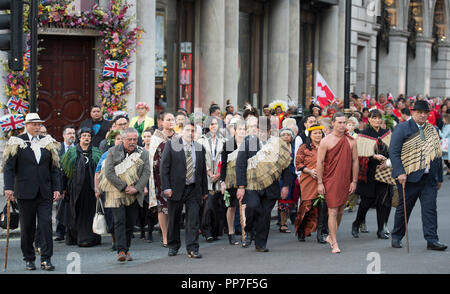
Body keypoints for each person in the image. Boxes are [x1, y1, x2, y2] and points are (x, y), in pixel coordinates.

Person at [3, 113, 61, 271]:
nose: (37, 127)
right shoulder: (17, 141)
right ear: (26, 125)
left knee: (45, 225)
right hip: (24, 192)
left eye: (39, 124)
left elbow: (54, 168)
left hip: (44, 192)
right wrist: (8, 188)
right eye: (34, 124)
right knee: (27, 228)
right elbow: (8, 168)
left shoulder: (47, 142)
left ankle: (46, 258)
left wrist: (57, 188)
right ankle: (29, 258)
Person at [389, 100, 447, 251]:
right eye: (419, 112)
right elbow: (394, 153)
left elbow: (437, 155)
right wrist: (399, 172)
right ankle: (396, 236)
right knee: (404, 209)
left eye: (425, 113)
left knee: (430, 210)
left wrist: (439, 177)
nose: (422, 115)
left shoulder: (433, 129)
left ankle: (432, 239)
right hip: (409, 178)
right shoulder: (402, 128)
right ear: (413, 112)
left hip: (429, 178)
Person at [236, 116, 292, 252]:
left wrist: (285, 186)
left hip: (271, 185)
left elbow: (286, 166)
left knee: (265, 215)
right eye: (258, 129)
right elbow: (240, 164)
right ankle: (249, 230)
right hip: (252, 185)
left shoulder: (277, 144)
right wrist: (241, 186)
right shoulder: (249, 142)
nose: (260, 132)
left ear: (269, 130)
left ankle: (260, 244)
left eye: (263, 130)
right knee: (252, 207)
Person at [100, 128, 151, 261]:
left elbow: (146, 173)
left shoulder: (143, 153)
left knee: (130, 223)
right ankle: (121, 250)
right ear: (123, 139)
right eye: (129, 139)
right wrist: (124, 187)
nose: (132, 142)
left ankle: (126, 249)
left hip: (134, 193)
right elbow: (108, 172)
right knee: (119, 221)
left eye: (135, 139)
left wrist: (137, 188)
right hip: (116, 192)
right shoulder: (112, 151)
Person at [161, 122, 208, 259]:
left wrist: (204, 190)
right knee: (174, 218)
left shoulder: (199, 148)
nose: (190, 133)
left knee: (193, 219)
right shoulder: (172, 145)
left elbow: (202, 171)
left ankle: (192, 248)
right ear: (182, 132)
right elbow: (164, 168)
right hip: (175, 188)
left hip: (193, 188)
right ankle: (173, 245)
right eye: (187, 130)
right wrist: (167, 187)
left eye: (193, 130)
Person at [317, 112, 358, 254]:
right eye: (339, 122)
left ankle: (330, 235)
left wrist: (354, 181)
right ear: (333, 123)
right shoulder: (326, 141)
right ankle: (334, 242)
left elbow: (355, 162)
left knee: (340, 210)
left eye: (344, 122)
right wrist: (320, 183)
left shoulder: (351, 141)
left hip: (345, 180)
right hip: (330, 180)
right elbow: (320, 163)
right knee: (332, 210)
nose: (342, 125)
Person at [352, 109, 392, 240]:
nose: (377, 120)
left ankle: (381, 230)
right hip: (368, 172)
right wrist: (372, 156)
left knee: (383, 201)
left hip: (384, 171)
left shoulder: (387, 133)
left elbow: (393, 151)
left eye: (379, 118)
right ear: (368, 119)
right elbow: (358, 156)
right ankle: (357, 223)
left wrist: (388, 161)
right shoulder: (363, 135)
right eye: (374, 118)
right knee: (366, 202)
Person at [61, 128, 102, 247]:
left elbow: (100, 171)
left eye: (88, 135)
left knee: (90, 213)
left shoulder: (96, 152)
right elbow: (65, 172)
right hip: (75, 190)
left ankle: (90, 238)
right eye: (84, 135)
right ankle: (74, 237)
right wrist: (63, 188)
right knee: (75, 212)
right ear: (79, 137)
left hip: (91, 189)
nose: (86, 138)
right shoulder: (71, 153)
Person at [294, 124, 327, 243]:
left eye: (320, 133)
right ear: (310, 135)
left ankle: (320, 234)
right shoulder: (304, 147)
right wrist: (309, 171)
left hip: (323, 180)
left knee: (322, 206)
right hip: (308, 179)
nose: (318, 135)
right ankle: (301, 229)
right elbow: (298, 163)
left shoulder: (326, 146)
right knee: (307, 205)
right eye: (315, 133)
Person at [149, 112, 177, 247]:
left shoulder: (178, 137)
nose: (171, 122)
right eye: (168, 119)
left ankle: (173, 234)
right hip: (160, 176)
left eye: (173, 119)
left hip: (176, 176)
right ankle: (165, 236)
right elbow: (152, 157)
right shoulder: (156, 138)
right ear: (162, 122)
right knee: (162, 208)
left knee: (174, 206)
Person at [94, 130, 123, 251]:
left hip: (124, 190)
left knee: (122, 217)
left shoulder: (131, 154)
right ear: (113, 141)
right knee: (111, 216)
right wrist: (97, 188)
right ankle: (114, 239)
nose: (120, 141)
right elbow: (97, 172)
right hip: (108, 190)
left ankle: (122, 241)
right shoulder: (106, 154)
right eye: (118, 139)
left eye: (122, 139)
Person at [198, 116, 226, 242]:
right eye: (211, 124)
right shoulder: (201, 141)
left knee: (218, 206)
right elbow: (200, 159)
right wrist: (209, 172)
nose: (214, 126)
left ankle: (216, 231)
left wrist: (220, 174)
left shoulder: (224, 141)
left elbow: (225, 159)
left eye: (216, 124)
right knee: (208, 206)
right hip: (207, 177)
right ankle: (207, 231)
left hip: (220, 177)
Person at [220, 118, 247, 245]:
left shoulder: (249, 144)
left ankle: (244, 232)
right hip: (230, 179)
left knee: (244, 207)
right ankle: (231, 233)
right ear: (235, 131)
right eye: (240, 129)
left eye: (244, 129)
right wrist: (222, 181)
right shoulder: (228, 144)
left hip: (245, 179)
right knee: (231, 207)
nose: (242, 131)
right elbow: (223, 164)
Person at [54, 125, 76, 242]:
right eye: (69, 133)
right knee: (60, 207)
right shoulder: (58, 149)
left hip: (74, 183)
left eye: (73, 133)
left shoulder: (78, 148)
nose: (72, 135)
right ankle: (60, 232)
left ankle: (71, 232)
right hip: (61, 183)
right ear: (63, 135)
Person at [277, 127, 297, 234]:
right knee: (283, 199)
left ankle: (286, 220)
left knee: (290, 199)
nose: (286, 137)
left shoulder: (294, 147)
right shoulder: (277, 147)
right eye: (283, 135)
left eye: (288, 135)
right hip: (281, 175)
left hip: (293, 175)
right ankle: (282, 223)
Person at [141, 128, 159, 242]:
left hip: (155, 181)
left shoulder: (156, 150)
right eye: (145, 136)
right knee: (143, 209)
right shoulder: (140, 151)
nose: (147, 139)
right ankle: (143, 230)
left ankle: (150, 232)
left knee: (152, 208)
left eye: (149, 136)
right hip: (144, 181)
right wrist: (143, 185)